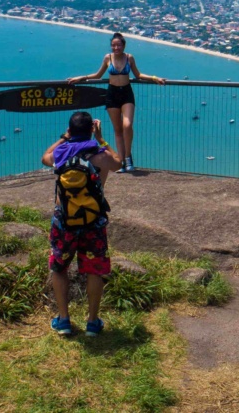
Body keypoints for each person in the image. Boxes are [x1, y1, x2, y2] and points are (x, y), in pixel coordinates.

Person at [41, 110, 122, 337]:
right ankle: (93, 322)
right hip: (93, 223)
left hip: (64, 222)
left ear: (70, 130)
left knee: (59, 267)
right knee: (94, 270)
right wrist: (101, 138)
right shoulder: (99, 153)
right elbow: (118, 163)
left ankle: (64, 320)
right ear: (90, 130)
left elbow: (44, 156)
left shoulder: (60, 153)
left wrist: (64, 138)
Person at [66, 32, 165, 172]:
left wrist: (155, 78)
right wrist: (81, 78)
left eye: (118, 45)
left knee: (127, 125)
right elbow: (98, 75)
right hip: (112, 94)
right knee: (118, 130)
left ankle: (128, 156)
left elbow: (138, 75)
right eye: (113, 45)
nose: (116, 48)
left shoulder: (129, 58)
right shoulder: (108, 57)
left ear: (124, 45)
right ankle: (121, 162)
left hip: (126, 93)